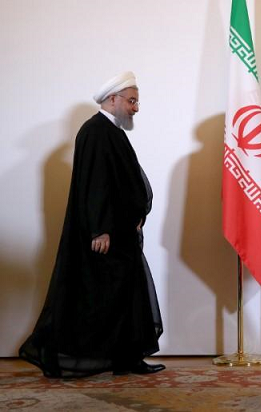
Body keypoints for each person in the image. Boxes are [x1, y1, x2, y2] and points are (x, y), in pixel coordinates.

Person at [20, 72, 164, 378]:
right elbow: (95, 182)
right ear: (112, 99)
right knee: (99, 298)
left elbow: (123, 181)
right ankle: (52, 350)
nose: (136, 108)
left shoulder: (111, 131)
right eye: (131, 101)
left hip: (121, 232)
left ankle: (127, 358)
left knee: (127, 295)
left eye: (136, 101)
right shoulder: (96, 131)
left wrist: (137, 216)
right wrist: (100, 229)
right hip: (106, 234)